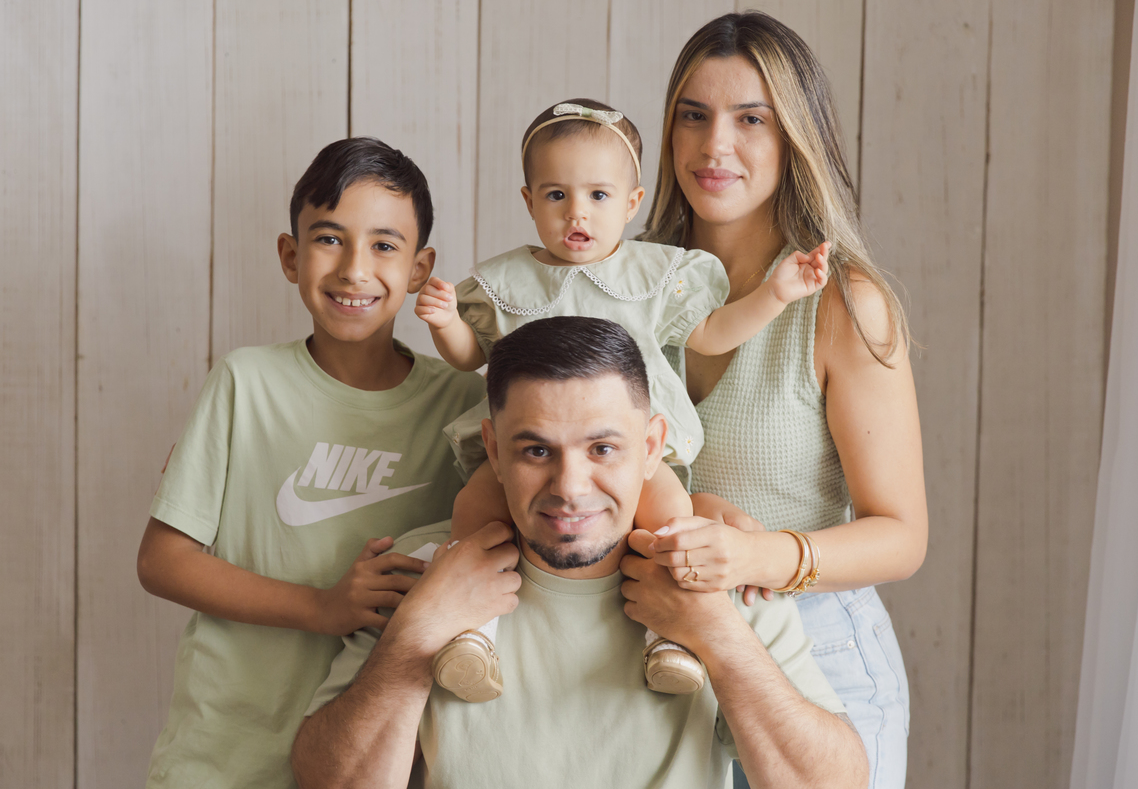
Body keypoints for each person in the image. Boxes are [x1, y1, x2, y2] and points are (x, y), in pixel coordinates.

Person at [291, 316, 868, 789]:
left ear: (651, 447)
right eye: (537, 451)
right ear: (494, 451)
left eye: (602, 449)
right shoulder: (424, 568)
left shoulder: (719, 571)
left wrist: (718, 634)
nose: (570, 487)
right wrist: (416, 633)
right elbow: (328, 781)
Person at [413, 97, 829, 699]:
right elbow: (470, 355)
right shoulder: (508, 282)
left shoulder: (652, 276)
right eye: (556, 195)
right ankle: (472, 632)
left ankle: (671, 635)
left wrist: (776, 294)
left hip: (629, 455)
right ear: (529, 202)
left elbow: (711, 334)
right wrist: (446, 322)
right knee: (473, 511)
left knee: (671, 518)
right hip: (530, 452)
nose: (576, 212)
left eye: (599, 196)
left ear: (632, 204)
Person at [135, 138, 484, 789]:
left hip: (374, 762)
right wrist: (323, 607)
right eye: (329, 239)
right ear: (290, 256)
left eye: (384, 245)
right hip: (221, 762)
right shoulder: (245, 383)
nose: (354, 270)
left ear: (420, 268)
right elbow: (162, 561)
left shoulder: (465, 405)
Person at [638, 12, 929, 789]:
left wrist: (757, 556)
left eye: (751, 120)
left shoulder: (843, 306)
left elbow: (902, 536)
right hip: (657, 666)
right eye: (693, 116)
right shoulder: (633, 289)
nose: (714, 145)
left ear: (796, 138)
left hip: (817, 663)